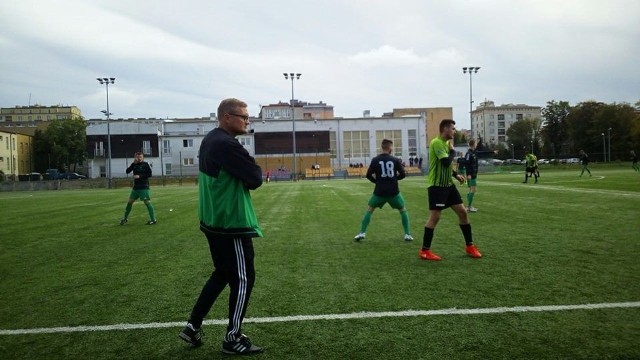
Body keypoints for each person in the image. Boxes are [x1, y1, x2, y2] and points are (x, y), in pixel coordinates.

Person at [178, 98, 264, 355]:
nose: (248, 121)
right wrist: (249, 172)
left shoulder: (210, 139)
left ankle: (192, 326)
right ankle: (232, 337)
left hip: (213, 219)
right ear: (227, 117)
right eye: (244, 117)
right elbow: (256, 178)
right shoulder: (227, 145)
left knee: (223, 274)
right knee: (243, 278)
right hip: (230, 222)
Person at [419, 119, 482, 261]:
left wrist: (456, 175)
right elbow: (445, 161)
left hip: (448, 186)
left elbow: (447, 166)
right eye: (452, 128)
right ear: (445, 129)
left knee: (463, 212)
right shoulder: (436, 143)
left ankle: (470, 246)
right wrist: (454, 152)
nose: (454, 131)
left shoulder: (446, 143)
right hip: (437, 187)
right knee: (435, 217)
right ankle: (424, 251)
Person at [354, 139, 413, 242]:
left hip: (379, 191)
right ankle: (407, 234)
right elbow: (403, 174)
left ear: (382, 147)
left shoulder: (375, 159)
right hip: (393, 191)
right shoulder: (395, 160)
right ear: (390, 148)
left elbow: (368, 175)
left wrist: (377, 181)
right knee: (403, 210)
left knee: (369, 209)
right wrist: (395, 179)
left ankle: (362, 232)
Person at [119, 152, 157, 225]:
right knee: (129, 202)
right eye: (137, 157)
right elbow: (127, 171)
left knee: (147, 202)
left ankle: (153, 220)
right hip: (135, 188)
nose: (139, 158)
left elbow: (150, 174)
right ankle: (125, 219)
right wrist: (133, 164)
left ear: (143, 158)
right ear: (135, 157)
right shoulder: (134, 164)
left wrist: (140, 176)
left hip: (143, 187)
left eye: (140, 157)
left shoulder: (145, 164)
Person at [463, 140, 480, 211]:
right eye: (475, 143)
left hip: (474, 174)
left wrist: (492, 152)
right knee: (473, 190)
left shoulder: (474, 153)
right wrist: (469, 174)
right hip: (471, 175)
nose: (476, 145)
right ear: (473, 144)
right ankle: (469, 207)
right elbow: (466, 163)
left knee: (470, 190)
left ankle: (469, 206)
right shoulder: (468, 153)